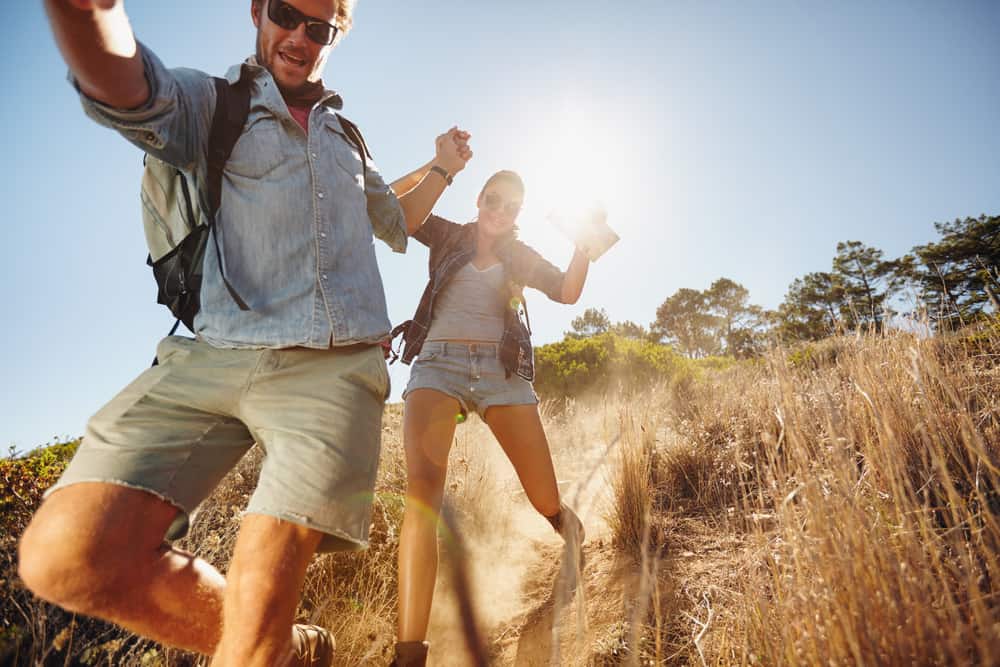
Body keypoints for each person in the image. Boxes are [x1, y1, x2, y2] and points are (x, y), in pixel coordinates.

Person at [18, 1, 471, 666]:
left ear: (335, 38)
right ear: (258, 9)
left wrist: (443, 170)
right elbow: (128, 85)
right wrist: (92, 12)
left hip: (331, 367)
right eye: (288, 12)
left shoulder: (347, 140)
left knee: (259, 591)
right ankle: (289, 649)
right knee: (63, 555)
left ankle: (265, 640)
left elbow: (395, 218)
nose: (299, 36)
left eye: (319, 28)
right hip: (211, 354)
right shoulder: (211, 102)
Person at [389, 169, 597, 666]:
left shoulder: (520, 255)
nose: (499, 210)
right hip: (437, 366)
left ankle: (564, 527)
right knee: (422, 498)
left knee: (543, 495)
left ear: (518, 215)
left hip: (501, 373)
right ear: (479, 198)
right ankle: (409, 652)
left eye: (511, 206)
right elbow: (391, 203)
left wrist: (585, 246)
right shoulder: (445, 234)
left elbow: (568, 291)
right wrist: (436, 166)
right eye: (493, 199)